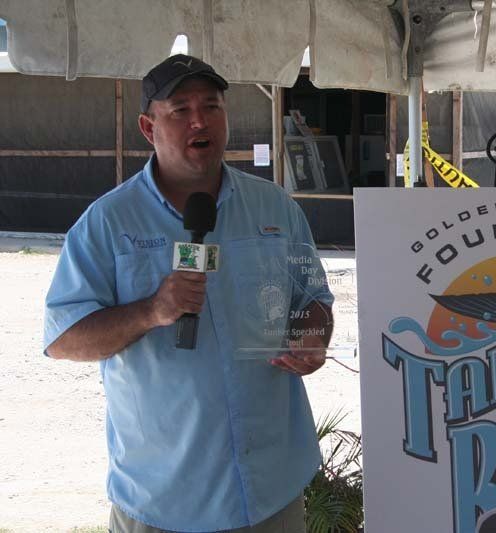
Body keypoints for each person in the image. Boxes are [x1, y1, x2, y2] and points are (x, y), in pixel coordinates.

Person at [43, 55, 334, 532]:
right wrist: (150, 311)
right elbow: (63, 339)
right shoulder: (108, 222)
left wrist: (314, 337)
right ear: (147, 125)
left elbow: (314, 300)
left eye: (212, 106)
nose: (200, 121)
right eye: (180, 109)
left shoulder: (275, 207)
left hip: (271, 491)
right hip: (166, 497)